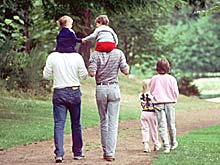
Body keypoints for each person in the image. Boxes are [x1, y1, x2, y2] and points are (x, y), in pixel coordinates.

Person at [43, 51, 88, 163]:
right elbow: (84, 76)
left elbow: (46, 76)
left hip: (59, 92)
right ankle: (77, 152)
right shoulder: (77, 56)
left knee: (59, 124)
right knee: (76, 123)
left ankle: (59, 154)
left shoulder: (53, 56)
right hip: (74, 91)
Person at [88, 49, 129, 161]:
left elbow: (92, 73)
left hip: (100, 88)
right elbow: (126, 71)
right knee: (113, 123)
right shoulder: (119, 53)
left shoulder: (95, 54)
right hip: (113, 88)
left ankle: (105, 150)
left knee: (103, 121)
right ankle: (110, 153)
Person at [149, 58, 179, 154]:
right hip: (170, 102)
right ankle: (173, 143)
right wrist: (174, 99)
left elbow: (152, 91)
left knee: (162, 125)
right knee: (171, 124)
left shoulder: (154, 78)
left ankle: (166, 146)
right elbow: (175, 92)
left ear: (157, 67)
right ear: (167, 67)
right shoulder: (171, 78)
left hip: (158, 103)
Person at [138, 79, 161, 153]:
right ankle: (156, 144)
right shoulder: (152, 95)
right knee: (153, 129)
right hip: (152, 113)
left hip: (143, 113)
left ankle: (146, 145)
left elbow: (140, 101)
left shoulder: (140, 95)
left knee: (145, 129)